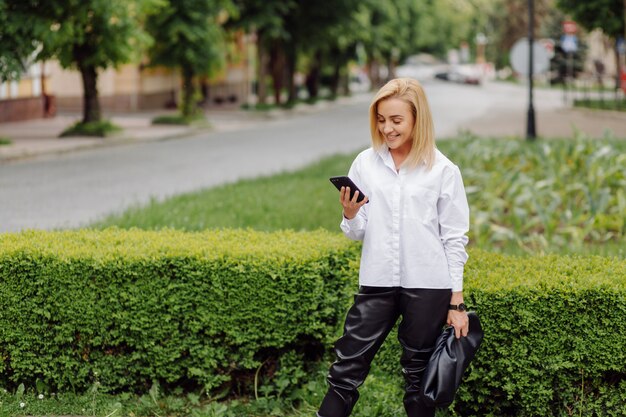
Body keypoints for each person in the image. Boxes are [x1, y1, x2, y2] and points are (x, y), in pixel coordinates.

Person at [317, 78, 471, 417]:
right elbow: (356, 233)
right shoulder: (364, 164)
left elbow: (454, 239)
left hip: (428, 287)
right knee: (346, 368)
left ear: (418, 119)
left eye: (396, 120)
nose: (387, 128)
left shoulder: (443, 171)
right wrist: (350, 213)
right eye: (381, 119)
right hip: (377, 283)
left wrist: (456, 301)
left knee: (418, 377)